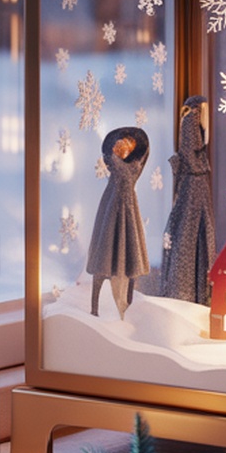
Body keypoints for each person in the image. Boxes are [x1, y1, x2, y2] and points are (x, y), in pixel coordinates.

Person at [86, 126, 150, 318]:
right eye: (123, 143)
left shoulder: (133, 168)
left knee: (126, 257)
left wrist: (114, 155)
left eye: (129, 144)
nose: (124, 147)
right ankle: (96, 307)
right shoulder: (116, 169)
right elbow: (115, 166)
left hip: (126, 213)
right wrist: (113, 154)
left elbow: (126, 171)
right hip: (111, 210)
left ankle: (123, 307)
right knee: (105, 256)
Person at [159, 95, 215, 304]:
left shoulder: (191, 119)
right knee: (191, 230)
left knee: (190, 231)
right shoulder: (192, 118)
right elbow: (190, 155)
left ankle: (190, 289)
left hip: (194, 185)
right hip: (195, 186)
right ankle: (190, 290)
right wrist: (200, 168)